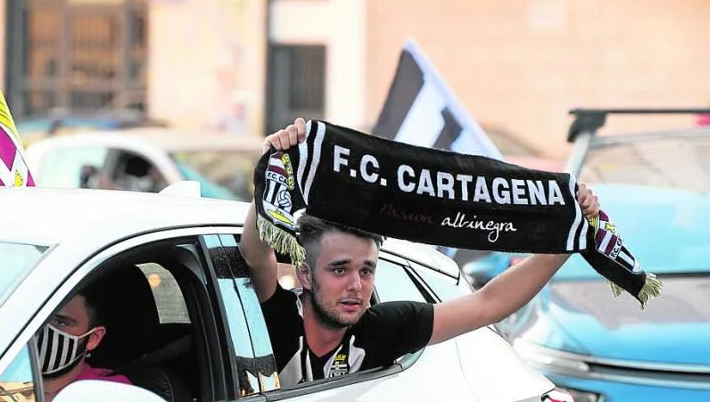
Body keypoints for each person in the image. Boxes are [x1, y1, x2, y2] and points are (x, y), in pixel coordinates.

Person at [240, 117, 601, 385]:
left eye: (366, 270)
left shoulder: (381, 330)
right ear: (303, 273)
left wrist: (570, 239)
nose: (356, 284)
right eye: (339, 269)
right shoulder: (273, 318)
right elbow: (255, 253)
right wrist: (273, 167)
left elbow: (487, 304)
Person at [35, 286, 130, 402]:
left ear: (93, 338)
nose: (43, 329)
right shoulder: (8, 365)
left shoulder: (110, 392)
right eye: (39, 319)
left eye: (60, 322)